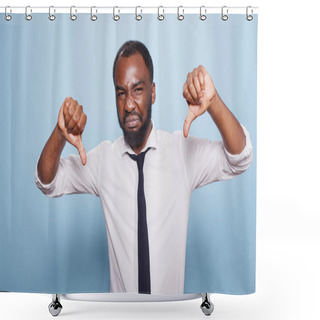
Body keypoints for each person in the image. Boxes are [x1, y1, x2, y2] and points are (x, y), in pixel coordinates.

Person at [35, 40, 253, 295]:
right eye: (121, 92)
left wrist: (213, 102)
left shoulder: (182, 153)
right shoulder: (103, 160)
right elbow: (47, 181)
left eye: (137, 90)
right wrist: (60, 134)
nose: (128, 105)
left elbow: (240, 158)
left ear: (153, 92)